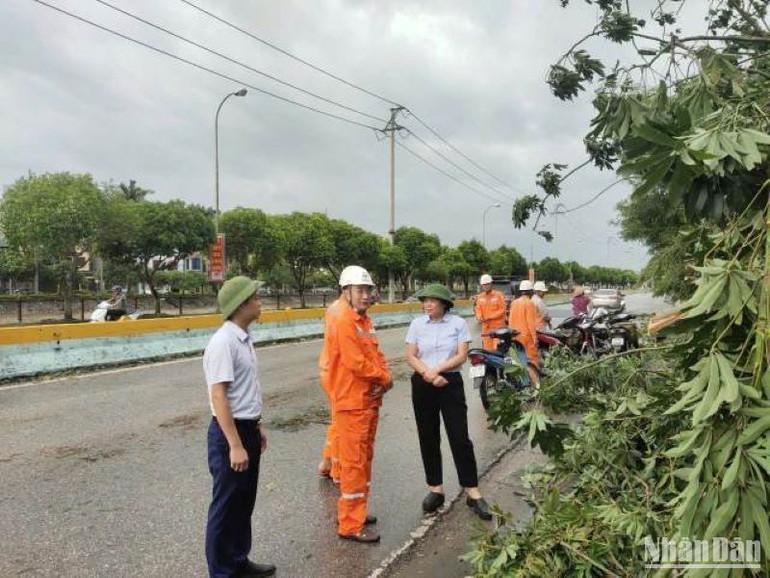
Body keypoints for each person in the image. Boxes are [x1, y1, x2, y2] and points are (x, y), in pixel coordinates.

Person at [203, 276, 275, 577]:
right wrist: (234, 444)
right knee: (226, 505)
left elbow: (243, 392)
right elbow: (218, 395)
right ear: (241, 304)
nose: (260, 302)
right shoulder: (223, 342)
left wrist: (256, 426)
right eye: (256, 297)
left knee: (244, 502)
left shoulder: (243, 338)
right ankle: (221, 572)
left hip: (246, 428)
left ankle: (238, 560)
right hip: (228, 433)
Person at [405, 283, 493, 521]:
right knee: (428, 435)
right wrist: (428, 374)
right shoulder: (416, 324)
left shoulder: (458, 324)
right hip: (423, 384)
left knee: (459, 436)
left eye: (432, 301)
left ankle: (472, 491)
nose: (427, 305)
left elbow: (461, 355)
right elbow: (411, 355)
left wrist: (438, 371)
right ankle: (436, 488)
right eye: (425, 301)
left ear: (444, 304)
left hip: (450, 382)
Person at [326, 265, 392, 543]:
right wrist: (384, 377)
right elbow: (356, 363)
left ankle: (357, 512)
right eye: (360, 290)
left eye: (368, 290)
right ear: (346, 291)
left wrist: (382, 375)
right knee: (354, 464)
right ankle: (351, 525)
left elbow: (373, 353)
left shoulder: (361, 319)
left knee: (363, 459)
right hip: (353, 401)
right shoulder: (344, 320)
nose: (366, 295)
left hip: (365, 400)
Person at [317, 291, 346, 483]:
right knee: (342, 421)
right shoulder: (344, 312)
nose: (366, 295)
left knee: (337, 419)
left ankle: (328, 462)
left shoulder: (335, 308)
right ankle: (337, 469)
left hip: (329, 370)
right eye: (361, 290)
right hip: (337, 373)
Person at [507, 280, 540, 388]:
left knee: (520, 361)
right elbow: (530, 322)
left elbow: (510, 320)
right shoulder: (529, 303)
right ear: (530, 292)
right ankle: (536, 385)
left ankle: (524, 383)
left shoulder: (514, 302)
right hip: (526, 336)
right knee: (532, 361)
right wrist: (535, 337)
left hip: (515, 335)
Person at [474, 274, 506, 350]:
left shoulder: (498, 295)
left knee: (498, 349)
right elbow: (478, 309)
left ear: (491, 284)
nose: (486, 286)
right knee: (487, 351)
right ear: (481, 285)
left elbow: (502, 310)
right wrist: (479, 317)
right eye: (484, 284)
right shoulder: (480, 297)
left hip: (497, 328)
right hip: (486, 329)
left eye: (487, 284)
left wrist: (488, 317)